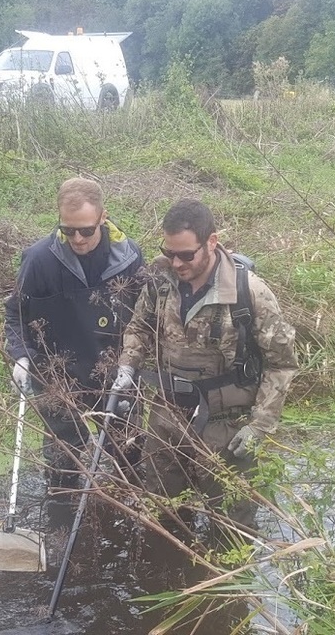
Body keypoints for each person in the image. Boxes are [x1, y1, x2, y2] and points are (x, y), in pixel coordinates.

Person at [113, 199, 297, 532]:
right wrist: (128, 365)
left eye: (186, 254)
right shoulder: (160, 279)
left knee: (231, 529)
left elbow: (281, 365)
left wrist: (259, 426)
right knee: (165, 518)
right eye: (169, 252)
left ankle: (228, 584)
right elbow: (139, 327)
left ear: (211, 242)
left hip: (226, 428)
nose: (176, 262)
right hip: (166, 417)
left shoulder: (250, 293)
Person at [4, 177, 143, 493]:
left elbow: (143, 318)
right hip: (57, 376)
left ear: (103, 218)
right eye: (68, 230)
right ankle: (60, 522)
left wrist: (133, 366)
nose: (77, 239)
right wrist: (21, 355)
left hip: (113, 372)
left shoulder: (129, 257)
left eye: (86, 230)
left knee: (128, 456)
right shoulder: (39, 260)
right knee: (62, 467)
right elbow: (16, 314)